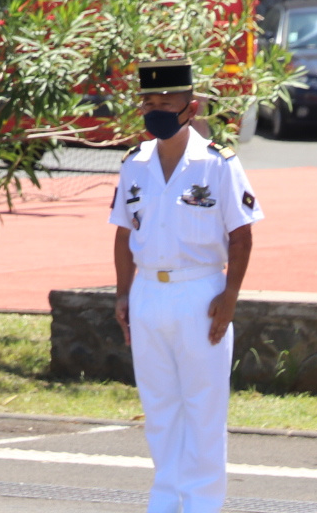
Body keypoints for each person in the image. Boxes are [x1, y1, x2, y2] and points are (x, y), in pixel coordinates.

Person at [109, 59, 262, 513]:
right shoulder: (134, 164)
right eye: (149, 102)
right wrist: (122, 293)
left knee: (203, 408)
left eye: (167, 102)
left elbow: (241, 234)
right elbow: (122, 232)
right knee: (159, 407)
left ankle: (201, 503)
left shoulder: (217, 163)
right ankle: (166, 499)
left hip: (200, 292)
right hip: (147, 294)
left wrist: (230, 295)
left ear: (190, 107)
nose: (156, 109)